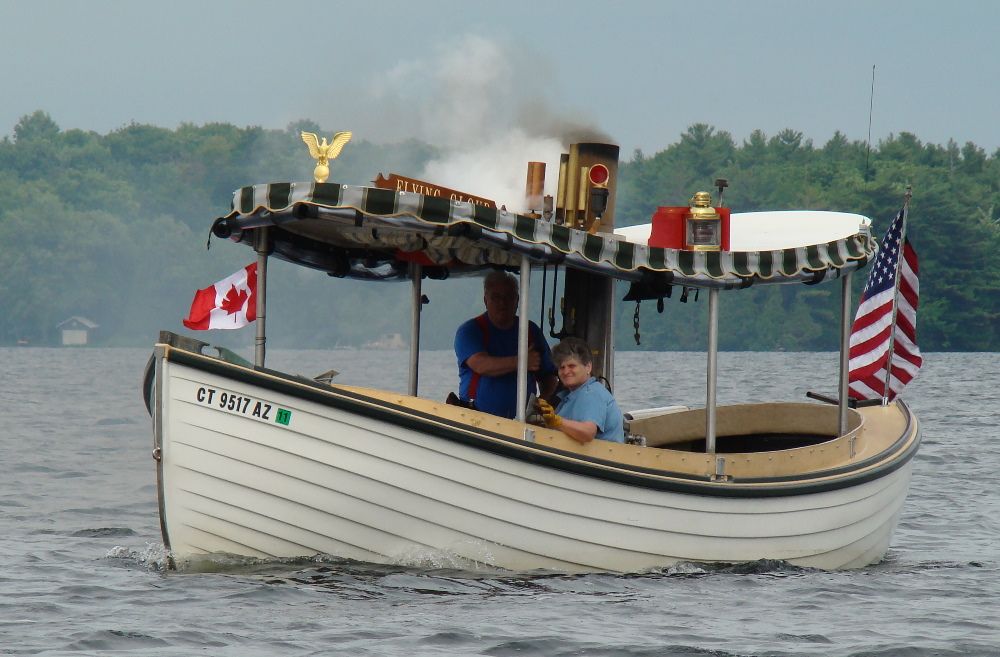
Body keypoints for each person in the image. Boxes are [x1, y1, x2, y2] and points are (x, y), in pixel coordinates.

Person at [454, 271, 557, 418]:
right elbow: (481, 365)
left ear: (517, 300)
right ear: (485, 300)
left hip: (521, 422)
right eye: (496, 297)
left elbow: (549, 376)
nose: (502, 303)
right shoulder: (469, 331)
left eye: (508, 297)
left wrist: (540, 405)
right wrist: (522, 361)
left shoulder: (531, 331)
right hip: (475, 419)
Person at [536, 337, 625, 444]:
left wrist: (557, 421)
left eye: (571, 366)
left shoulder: (591, 393)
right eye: (561, 367)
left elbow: (588, 433)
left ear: (588, 367)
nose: (566, 371)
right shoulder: (571, 395)